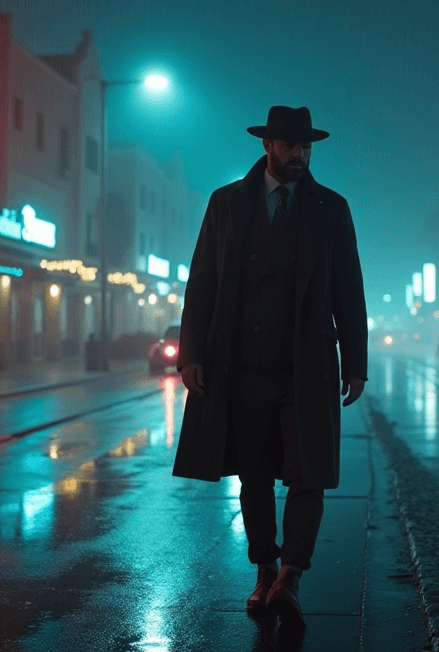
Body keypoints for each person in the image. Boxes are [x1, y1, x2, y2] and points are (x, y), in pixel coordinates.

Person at [172, 105, 368, 629]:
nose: (300, 155)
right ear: (267, 147)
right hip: (240, 364)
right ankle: (264, 572)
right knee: (254, 475)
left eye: (306, 147)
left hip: (306, 367)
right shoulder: (226, 203)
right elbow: (203, 282)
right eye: (290, 147)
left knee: (309, 476)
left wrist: (356, 362)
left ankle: (292, 576)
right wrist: (190, 354)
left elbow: (348, 288)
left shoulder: (330, 208)